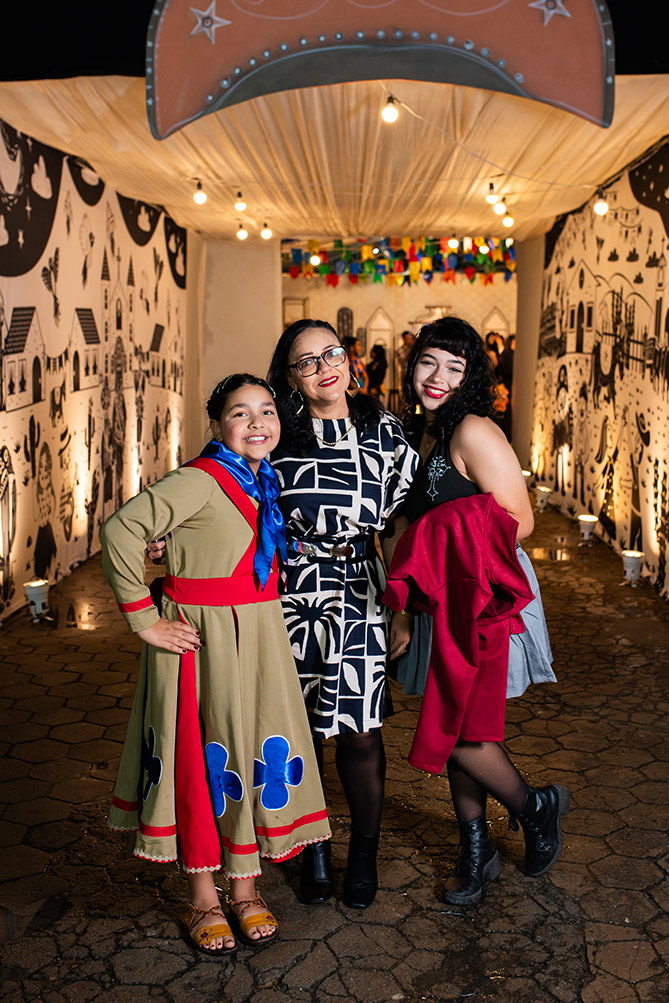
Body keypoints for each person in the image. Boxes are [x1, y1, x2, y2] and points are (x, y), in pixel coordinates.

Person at [101, 374, 330, 956]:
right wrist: (143, 618)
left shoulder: (261, 479)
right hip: (202, 638)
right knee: (200, 753)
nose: (257, 423)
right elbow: (122, 528)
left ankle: (245, 888)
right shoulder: (200, 478)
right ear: (216, 425)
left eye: (266, 411)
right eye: (240, 413)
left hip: (257, 631)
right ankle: (204, 896)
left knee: (249, 744)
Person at [385, 317, 566, 906]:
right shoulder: (425, 431)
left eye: (454, 367)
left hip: (486, 595)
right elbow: (406, 523)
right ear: (412, 365)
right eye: (428, 362)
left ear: (471, 377)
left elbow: (521, 521)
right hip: (445, 596)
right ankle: (477, 847)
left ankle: (535, 806)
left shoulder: (473, 430)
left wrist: (434, 531)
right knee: (460, 723)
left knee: (461, 732)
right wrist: (404, 609)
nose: (437, 376)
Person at [268, 319, 417, 909]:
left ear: (348, 358)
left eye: (331, 353)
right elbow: (227, 492)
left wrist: (402, 606)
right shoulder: (275, 432)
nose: (324, 367)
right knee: (301, 732)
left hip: (360, 589)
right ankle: (314, 850)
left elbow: (398, 523)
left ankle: (363, 854)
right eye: (307, 361)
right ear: (291, 377)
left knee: (359, 731)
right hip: (292, 595)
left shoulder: (383, 429)